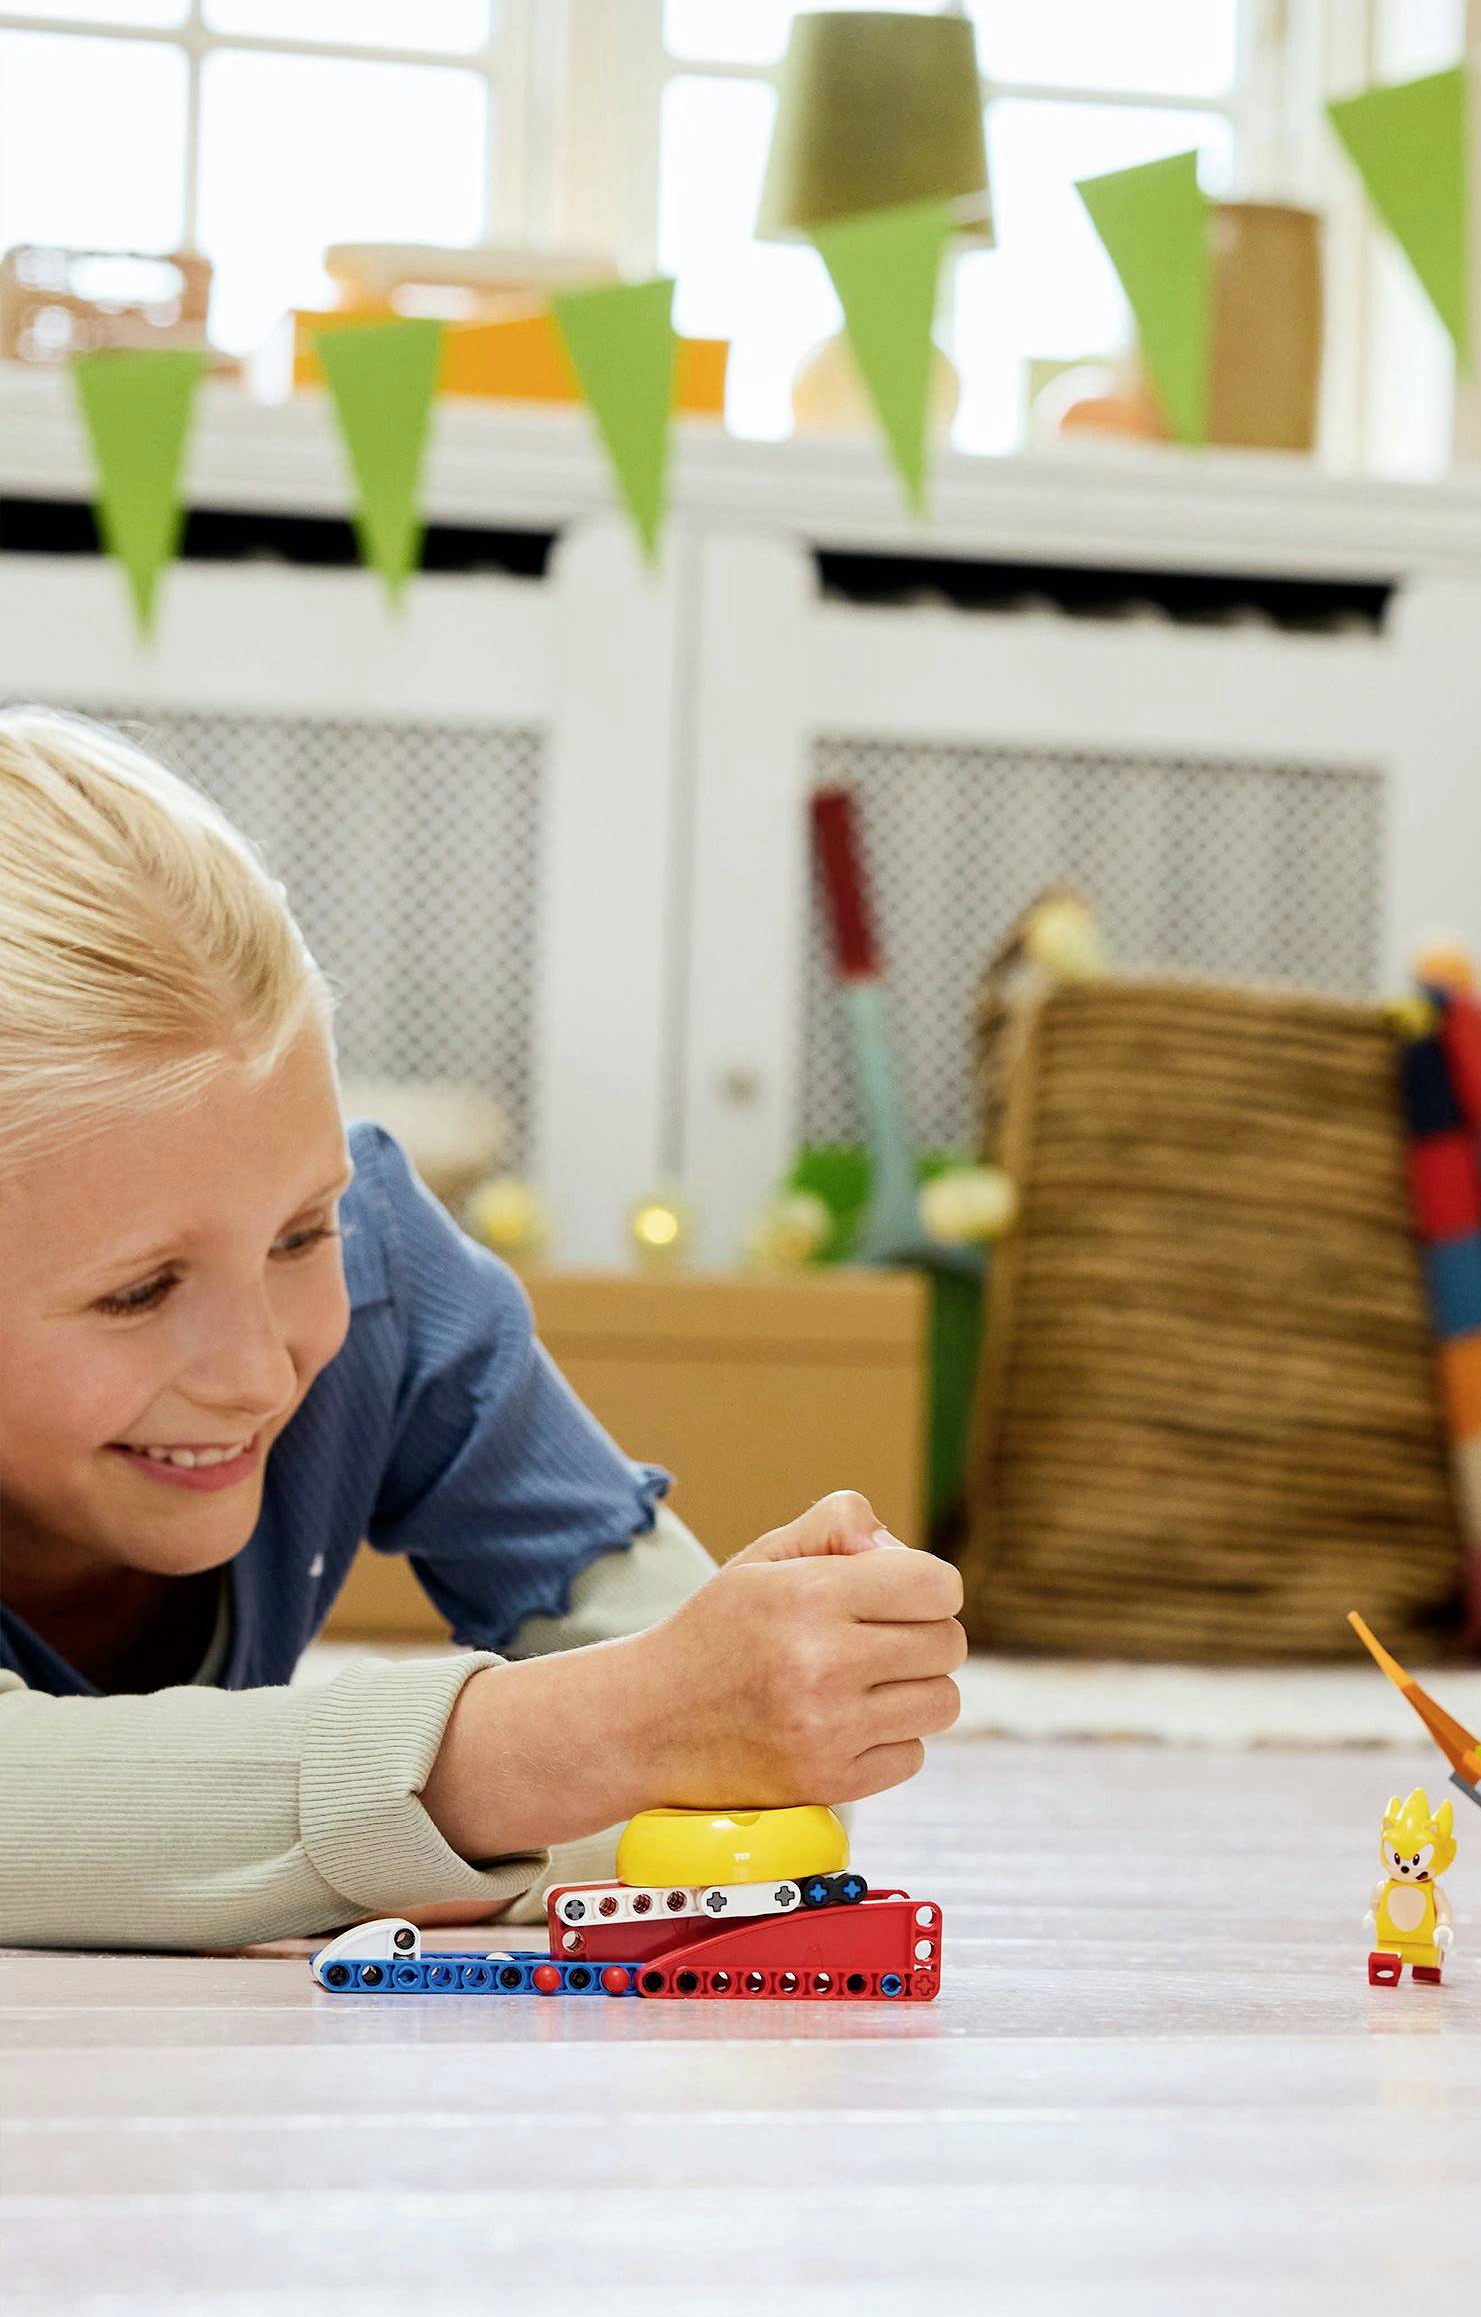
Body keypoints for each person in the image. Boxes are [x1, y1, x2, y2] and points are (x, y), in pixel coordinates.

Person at [0, 706, 964, 1951]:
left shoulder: (392, 1276)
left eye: (302, 1233)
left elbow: (712, 1737)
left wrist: (727, 1697)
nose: (255, 1373)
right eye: (137, 1293)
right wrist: (583, 1741)